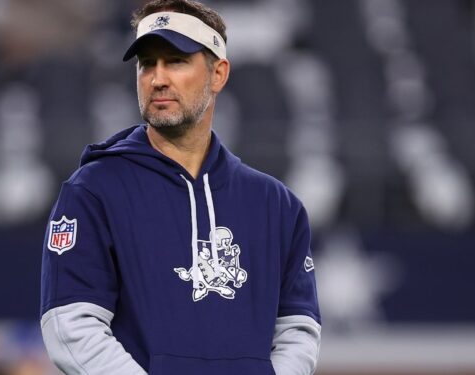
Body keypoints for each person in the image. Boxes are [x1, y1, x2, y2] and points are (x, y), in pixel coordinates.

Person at [39, 1, 321, 373]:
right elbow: (69, 323)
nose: (157, 78)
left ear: (218, 74)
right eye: (146, 64)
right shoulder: (94, 190)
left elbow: (297, 330)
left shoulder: (275, 203)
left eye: (175, 61)